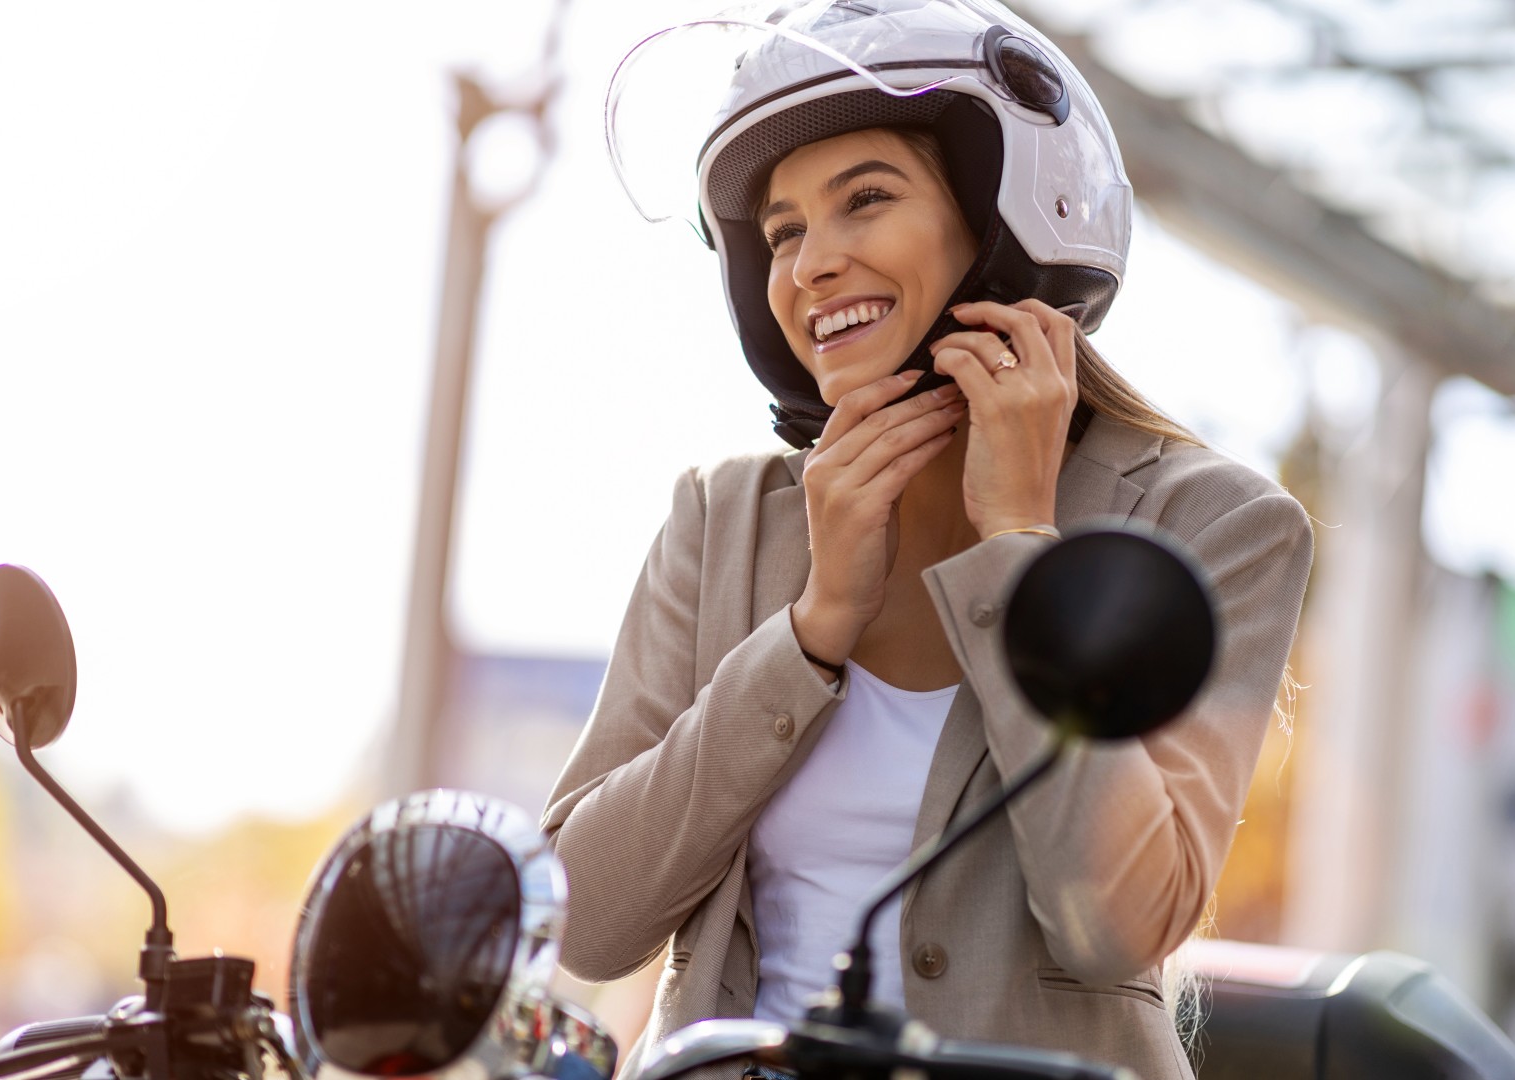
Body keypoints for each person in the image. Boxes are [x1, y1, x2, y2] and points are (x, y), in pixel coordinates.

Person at [541, 3, 1313, 1078]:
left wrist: (1020, 551)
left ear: (1003, 220)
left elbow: (1117, 927)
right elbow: (582, 922)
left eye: (865, 198)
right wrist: (809, 635)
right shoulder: (720, 520)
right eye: (783, 231)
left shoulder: (1212, 524)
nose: (812, 264)